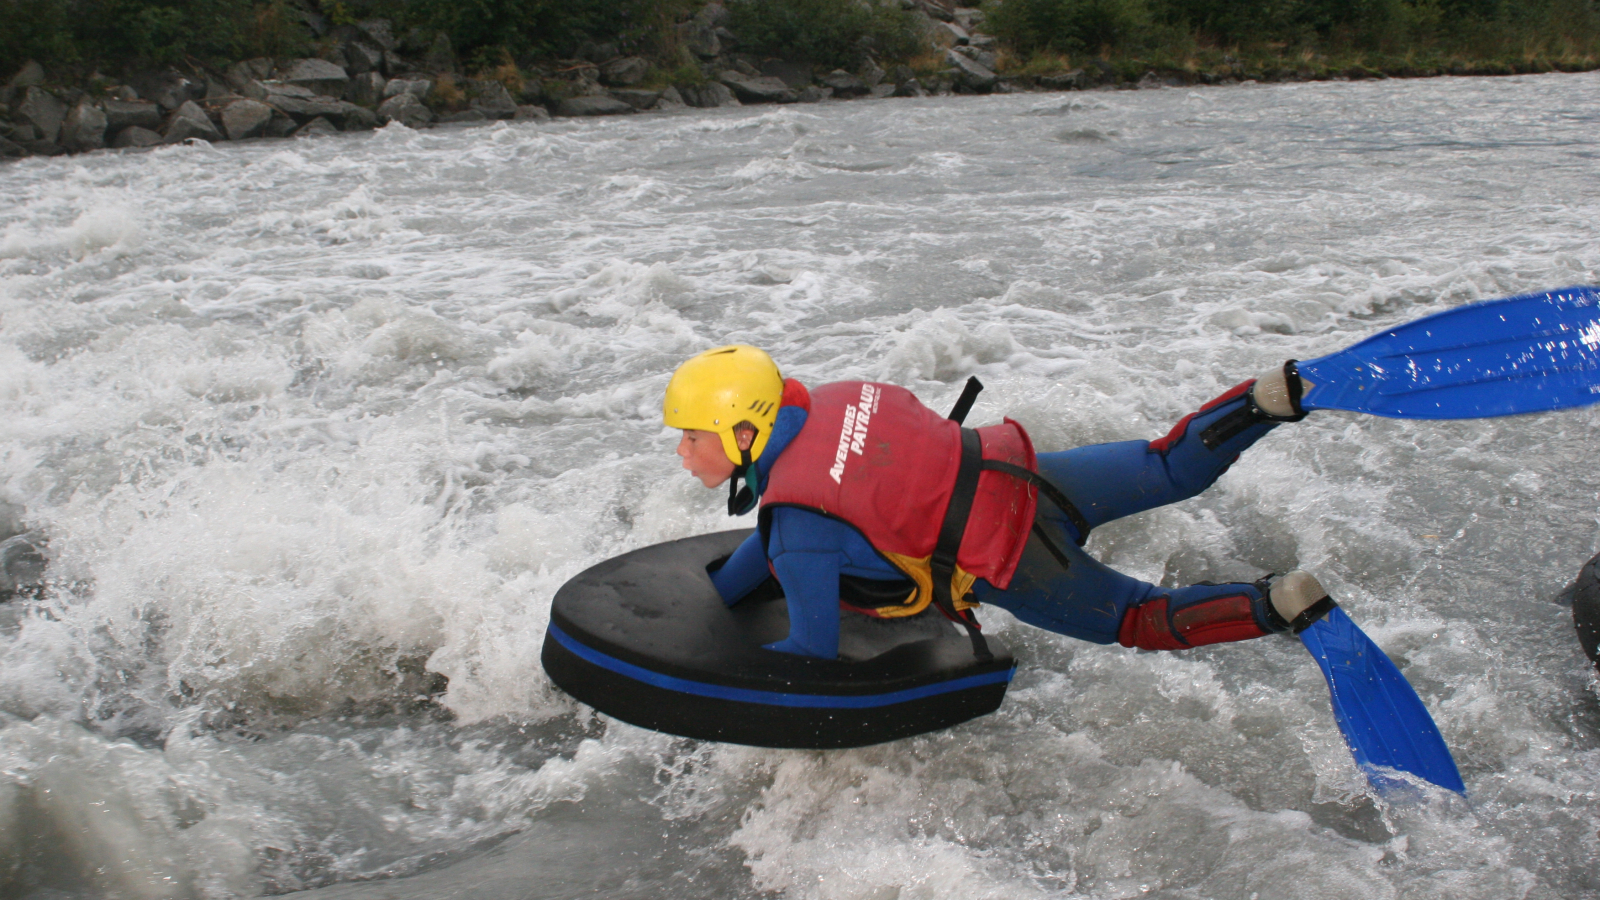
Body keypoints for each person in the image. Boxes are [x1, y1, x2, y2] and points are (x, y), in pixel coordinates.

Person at [663, 344, 1337, 661]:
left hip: (1009, 561)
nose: (683, 453)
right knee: (1165, 466)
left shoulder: (798, 532)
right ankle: (1264, 400)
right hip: (1024, 474)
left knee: (1138, 618)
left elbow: (812, 647)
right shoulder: (837, 397)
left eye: (693, 438)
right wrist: (725, 588)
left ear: (744, 433)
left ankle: (1273, 605)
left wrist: (719, 663)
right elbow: (802, 515)